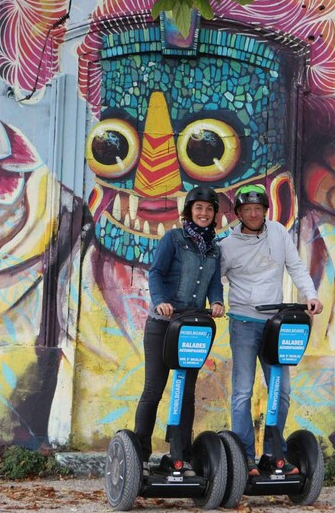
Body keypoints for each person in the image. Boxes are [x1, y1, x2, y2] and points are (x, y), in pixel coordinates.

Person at [220, 184, 323, 477]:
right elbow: (214, 278)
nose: (253, 214)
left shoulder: (279, 233)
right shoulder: (227, 246)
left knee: (283, 390)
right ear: (239, 213)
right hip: (243, 321)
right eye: (246, 209)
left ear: (265, 210)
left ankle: (273, 453)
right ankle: (244, 458)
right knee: (242, 391)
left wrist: (311, 296)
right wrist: (212, 302)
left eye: (257, 209)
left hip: (276, 324)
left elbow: (297, 267)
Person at [134, 186, 225, 476]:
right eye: (198, 208)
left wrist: (218, 301)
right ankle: (141, 456)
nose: (204, 213)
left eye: (209, 209)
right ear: (189, 211)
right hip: (162, 326)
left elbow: (213, 282)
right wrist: (160, 302)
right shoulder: (173, 239)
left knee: (185, 394)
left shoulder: (214, 248)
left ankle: (180, 457)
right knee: (154, 390)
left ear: (214, 215)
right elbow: (156, 273)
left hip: (191, 328)